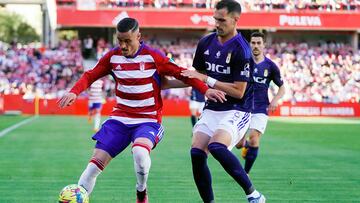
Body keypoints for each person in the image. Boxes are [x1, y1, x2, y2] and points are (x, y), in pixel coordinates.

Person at [57, 17, 226, 203]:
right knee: (93, 167)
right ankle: (77, 198)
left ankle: (141, 191)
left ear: (139, 36)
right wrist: (74, 91)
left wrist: (205, 89)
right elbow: (90, 75)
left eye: (127, 41)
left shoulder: (154, 56)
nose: (122, 45)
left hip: (148, 120)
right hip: (119, 119)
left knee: (139, 152)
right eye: (119, 41)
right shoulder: (112, 57)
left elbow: (182, 74)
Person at [181, 0, 266, 202]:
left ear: (235, 19)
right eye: (215, 19)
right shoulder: (205, 43)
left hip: (237, 108)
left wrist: (208, 80)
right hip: (213, 108)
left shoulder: (242, 50)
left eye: (221, 20)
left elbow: (238, 91)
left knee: (217, 147)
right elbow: (197, 75)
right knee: (196, 153)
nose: (216, 23)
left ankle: (254, 195)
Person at [236, 32, 285, 174]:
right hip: (243, 107)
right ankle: (244, 146)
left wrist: (275, 100)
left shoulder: (271, 66)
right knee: (239, 144)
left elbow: (282, 87)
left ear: (264, 45)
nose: (256, 46)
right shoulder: (244, 62)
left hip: (261, 108)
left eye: (259, 43)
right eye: (253, 43)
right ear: (249, 44)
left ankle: (245, 173)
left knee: (254, 139)